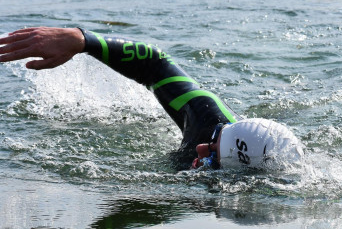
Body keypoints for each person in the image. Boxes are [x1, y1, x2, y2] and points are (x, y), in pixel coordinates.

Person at [0, 27, 303, 170]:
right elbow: (156, 64)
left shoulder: (222, 197)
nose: (199, 146)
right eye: (214, 138)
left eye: (211, 154)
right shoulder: (207, 120)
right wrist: (85, 41)